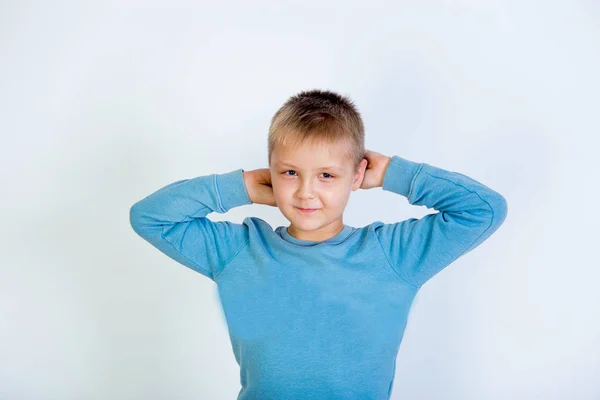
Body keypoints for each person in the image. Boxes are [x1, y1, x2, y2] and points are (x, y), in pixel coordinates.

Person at [129, 89, 508, 399]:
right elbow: (149, 217)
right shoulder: (241, 251)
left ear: (357, 174)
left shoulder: (392, 255)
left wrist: (396, 173)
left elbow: (485, 210)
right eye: (290, 172)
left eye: (327, 175)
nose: (306, 191)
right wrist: (240, 185)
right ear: (271, 172)